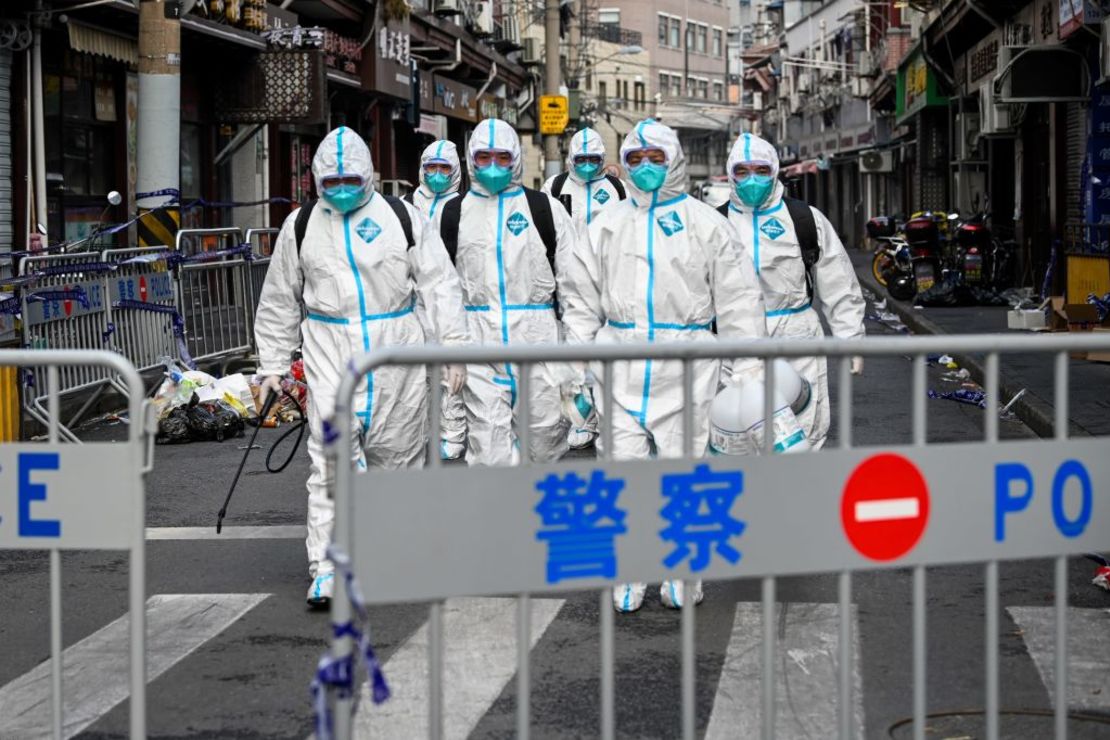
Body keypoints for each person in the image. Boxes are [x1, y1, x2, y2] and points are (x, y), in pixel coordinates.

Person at [559, 119, 769, 612]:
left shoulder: (706, 223)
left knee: (686, 471)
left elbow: (739, 303)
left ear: (674, 161)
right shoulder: (607, 223)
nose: (646, 168)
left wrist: (746, 371)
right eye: (636, 160)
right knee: (622, 471)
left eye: (656, 159)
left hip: (688, 364)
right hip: (619, 364)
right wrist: (578, 368)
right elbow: (580, 299)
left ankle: (684, 573)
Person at [254, 126, 470, 608]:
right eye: (332, 182)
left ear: (369, 174)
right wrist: (271, 363)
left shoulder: (401, 217)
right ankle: (328, 566)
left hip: (397, 349)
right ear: (316, 181)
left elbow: (439, 284)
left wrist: (453, 345)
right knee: (331, 460)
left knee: (397, 458)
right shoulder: (303, 225)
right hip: (330, 347)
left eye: (351, 179)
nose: (342, 189)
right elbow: (279, 298)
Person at [437, 118, 576, 466]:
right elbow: (441, 287)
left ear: (515, 158)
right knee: (488, 451)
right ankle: (497, 519)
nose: (494, 166)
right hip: (479, 343)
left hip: (538, 342)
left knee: (544, 443)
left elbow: (575, 285)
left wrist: (577, 355)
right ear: (471, 159)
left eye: (502, 157)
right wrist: (449, 347)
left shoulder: (544, 210)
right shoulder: (453, 213)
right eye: (484, 157)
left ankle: (539, 516)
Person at [722, 132, 866, 449]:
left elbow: (838, 282)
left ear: (774, 171)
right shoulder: (714, 224)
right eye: (742, 171)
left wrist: (850, 338)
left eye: (761, 170)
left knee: (804, 428)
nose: (752, 179)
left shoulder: (803, 219)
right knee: (739, 433)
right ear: (731, 174)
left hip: (797, 337)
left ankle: (799, 492)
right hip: (733, 344)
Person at [541, 127, 627, 450]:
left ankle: (607, 419)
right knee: (576, 351)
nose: (588, 165)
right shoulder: (556, 187)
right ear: (570, 159)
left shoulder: (617, 188)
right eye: (582, 159)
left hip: (609, 281)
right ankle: (584, 417)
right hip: (571, 282)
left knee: (606, 351)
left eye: (594, 159)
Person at [409, 139, 468, 460]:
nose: (436, 174)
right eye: (430, 167)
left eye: (444, 168)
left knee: (450, 372)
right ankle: (418, 432)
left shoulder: (466, 205)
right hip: (411, 303)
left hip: (452, 298)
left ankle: (453, 432)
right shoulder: (405, 204)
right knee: (416, 375)